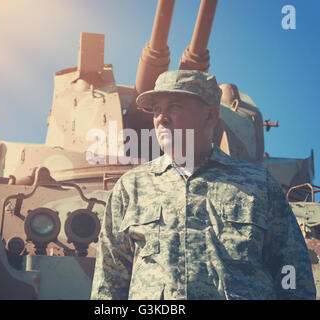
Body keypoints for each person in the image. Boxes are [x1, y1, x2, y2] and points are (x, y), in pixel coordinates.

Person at [90, 70, 316, 300]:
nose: (161, 118)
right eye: (157, 110)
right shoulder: (131, 187)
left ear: (210, 116)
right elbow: (109, 282)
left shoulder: (259, 185)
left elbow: (292, 269)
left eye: (174, 107)